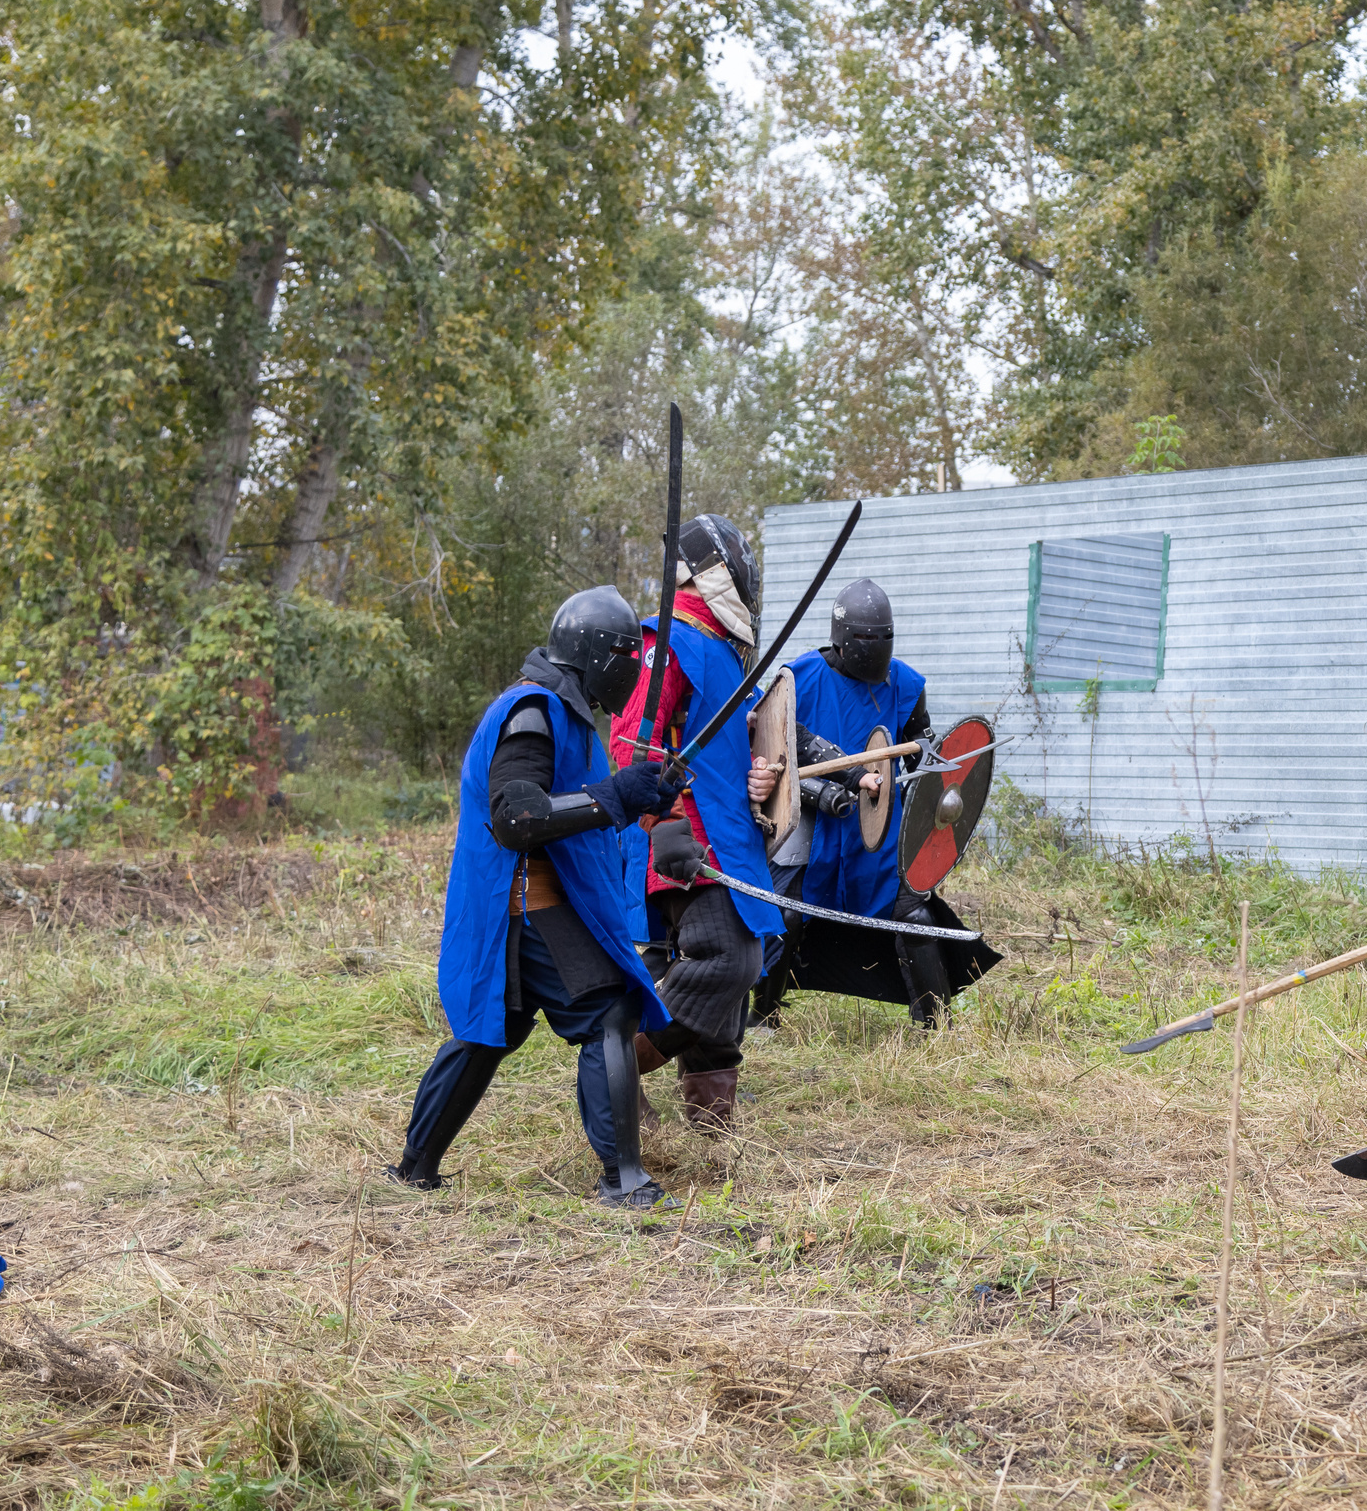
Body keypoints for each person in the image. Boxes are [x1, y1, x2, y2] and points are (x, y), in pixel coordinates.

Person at [387, 586, 682, 1208]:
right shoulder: (533, 712)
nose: (635, 669)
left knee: (487, 1034)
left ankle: (415, 1169)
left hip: (529, 905)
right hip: (520, 904)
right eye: (629, 655)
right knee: (608, 1014)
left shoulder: (562, 715)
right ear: (600, 655)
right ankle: (622, 1180)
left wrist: (636, 796)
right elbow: (518, 817)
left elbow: (574, 812)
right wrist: (613, 796)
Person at [610, 516, 788, 1134]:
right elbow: (631, 741)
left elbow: (718, 755)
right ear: (716, 572)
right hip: (686, 838)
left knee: (732, 982)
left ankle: (711, 1135)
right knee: (726, 960)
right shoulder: (667, 639)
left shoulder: (717, 650)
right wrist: (661, 819)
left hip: (728, 836)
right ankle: (616, 1068)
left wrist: (757, 780)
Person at [762, 578, 954, 1022]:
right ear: (842, 640)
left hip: (881, 825)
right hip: (813, 813)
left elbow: (921, 760)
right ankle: (764, 1012)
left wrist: (931, 763)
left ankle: (937, 1023)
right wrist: (834, 783)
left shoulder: (905, 684)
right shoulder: (799, 678)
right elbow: (777, 746)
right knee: (783, 917)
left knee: (917, 919)